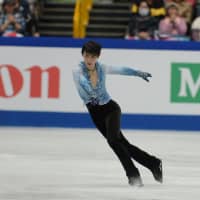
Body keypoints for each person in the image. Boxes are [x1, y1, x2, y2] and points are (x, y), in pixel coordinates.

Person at [72, 40, 163, 187]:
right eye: (87, 56)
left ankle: (133, 175)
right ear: (83, 55)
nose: (90, 60)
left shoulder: (102, 68)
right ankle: (153, 163)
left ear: (97, 57)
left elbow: (121, 70)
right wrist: (91, 92)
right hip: (95, 114)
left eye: (93, 57)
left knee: (113, 141)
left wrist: (137, 73)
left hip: (111, 109)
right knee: (122, 144)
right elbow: (83, 82)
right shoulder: (77, 71)